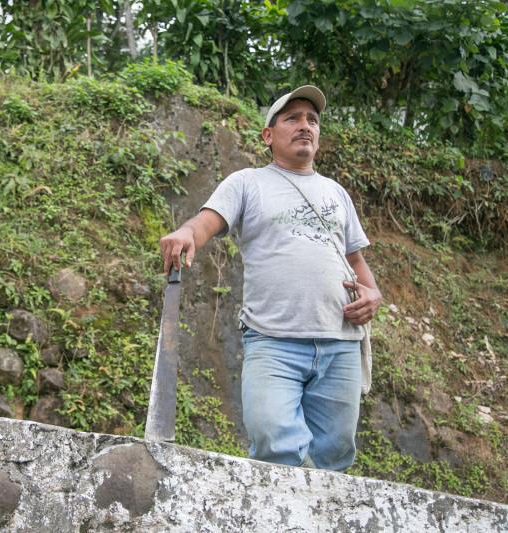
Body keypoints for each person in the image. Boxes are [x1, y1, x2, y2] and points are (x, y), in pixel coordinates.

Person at [158, 85, 382, 471]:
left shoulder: (336, 192)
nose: (304, 126)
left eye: (312, 120)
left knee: (335, 453)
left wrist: (373, 293)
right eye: (292, 118)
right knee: (273, 440)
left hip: (341, 341)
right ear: (268, 135)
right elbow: (205, 223)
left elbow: (355, 260)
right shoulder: (247, 183)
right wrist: (185, 234)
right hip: (273, 340)